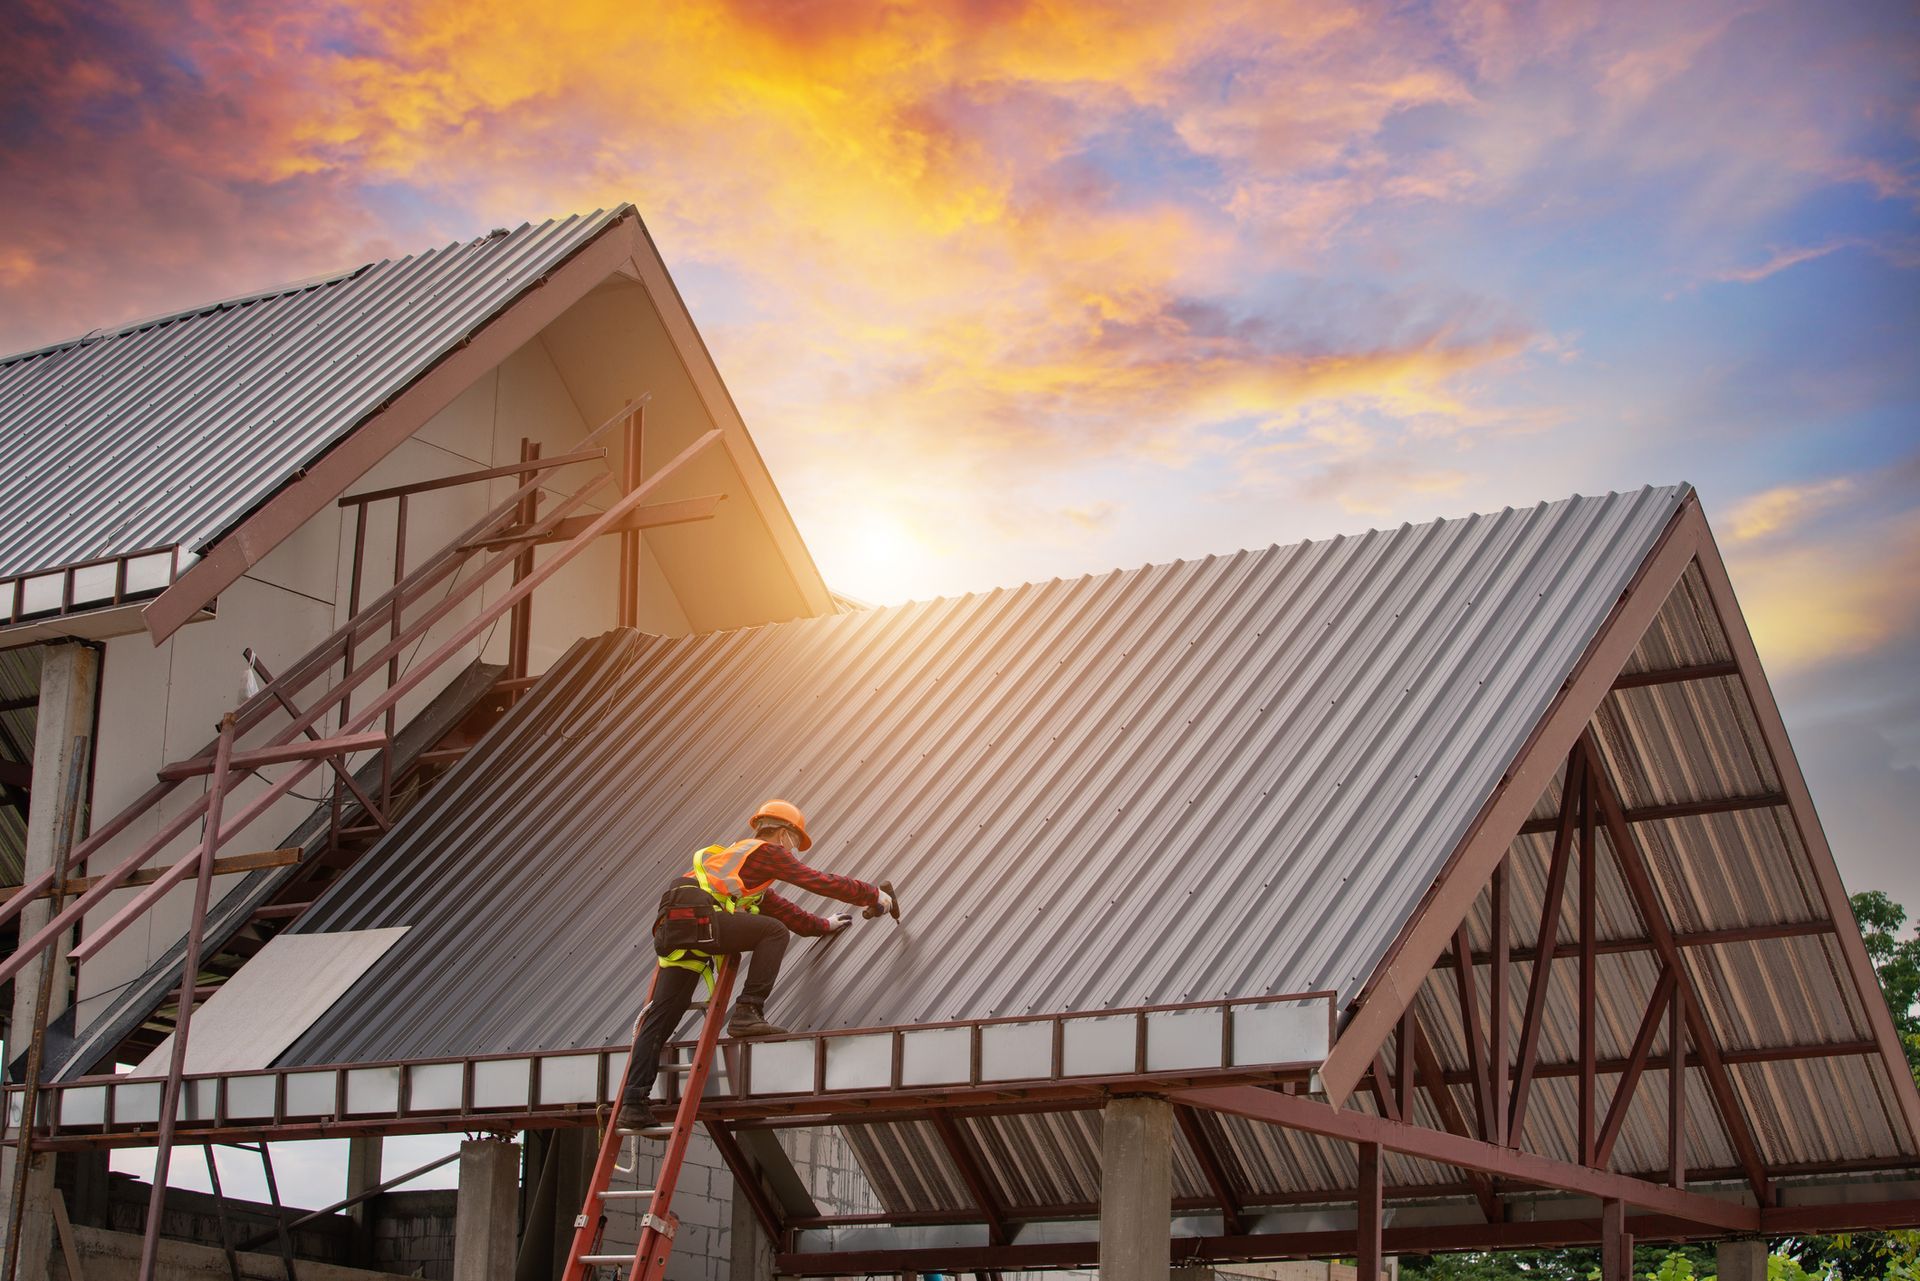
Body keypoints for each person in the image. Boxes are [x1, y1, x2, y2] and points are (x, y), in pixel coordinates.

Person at [617, 799, 895, 1131]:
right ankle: (748, 1011)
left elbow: (789, 913)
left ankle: (633, 1105)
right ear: (783, 832)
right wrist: (872, 895)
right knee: (773, 933)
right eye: (794, 841)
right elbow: (817, 880)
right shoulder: (765, 852)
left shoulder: (741, 873)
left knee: (660, 1021)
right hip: (698, 917)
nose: (793, 850)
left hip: (676, 926)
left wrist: (823, 926)